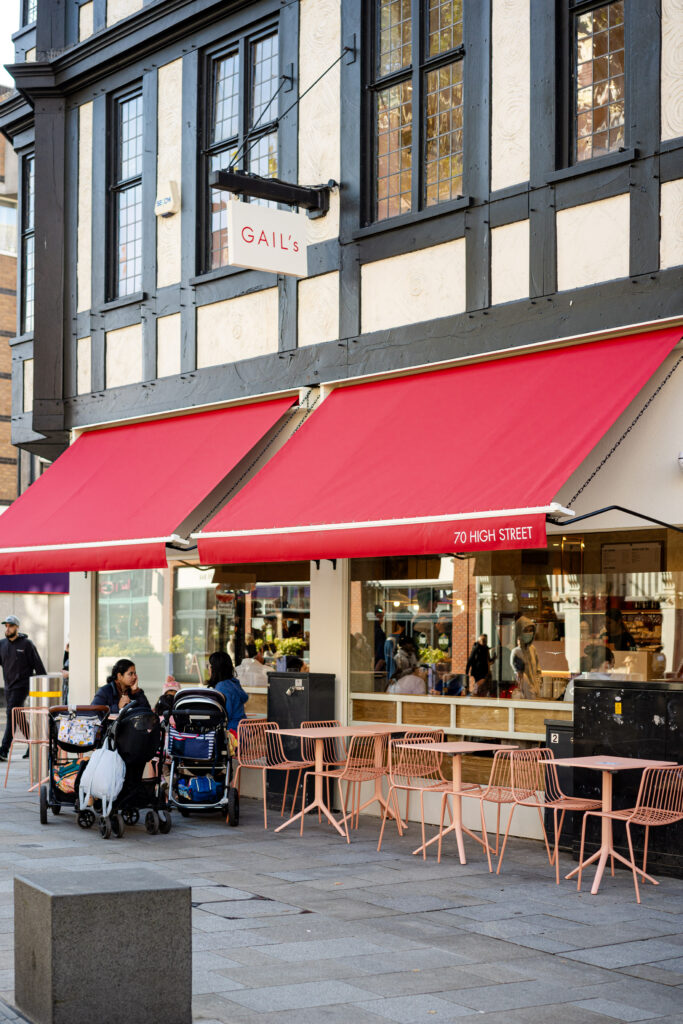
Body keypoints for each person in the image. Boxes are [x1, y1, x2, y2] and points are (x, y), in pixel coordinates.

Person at [0, 615, 46, 762]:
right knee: (18, 718)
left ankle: (3, 750)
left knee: (11, 714)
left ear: (17, 627)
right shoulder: (1, 644)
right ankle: (32, 745)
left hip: (22, 686)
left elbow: (39, 667)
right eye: (6, 626)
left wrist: (43, 689)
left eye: (11, 626)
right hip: (8, 687)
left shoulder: (27, 644)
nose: (8, 628)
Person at [207, 651, 248, 736]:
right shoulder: (233, 683)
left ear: (215, 668)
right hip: (242, 731)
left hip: (231, 735)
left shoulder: (222, 687)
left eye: (209, 665)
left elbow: (224, 715)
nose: (208, 668)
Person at [510, 617, 542, 699]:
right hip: (523, 697)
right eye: (525, 631)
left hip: (535, 695)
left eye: (531, 630)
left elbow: (538, 670)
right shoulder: (516, 652)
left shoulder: (532, 649)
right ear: (519, 632)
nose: (529, 633)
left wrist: (538, 686)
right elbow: (517, 675)